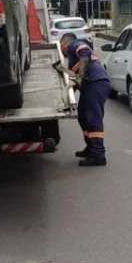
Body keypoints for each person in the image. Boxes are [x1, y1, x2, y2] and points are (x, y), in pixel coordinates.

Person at [54, 32, 111, 167]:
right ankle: (91, 147)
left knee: (92, 118)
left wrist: (80, 74)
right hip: (91, 85)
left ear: (64, 43)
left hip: (96, 83)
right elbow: (74, 82)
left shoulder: (75, 45)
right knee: (83, 117)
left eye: (61, 46)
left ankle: (98, 156)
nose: (62, 50)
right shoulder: (72, 60)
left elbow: (84, 51)